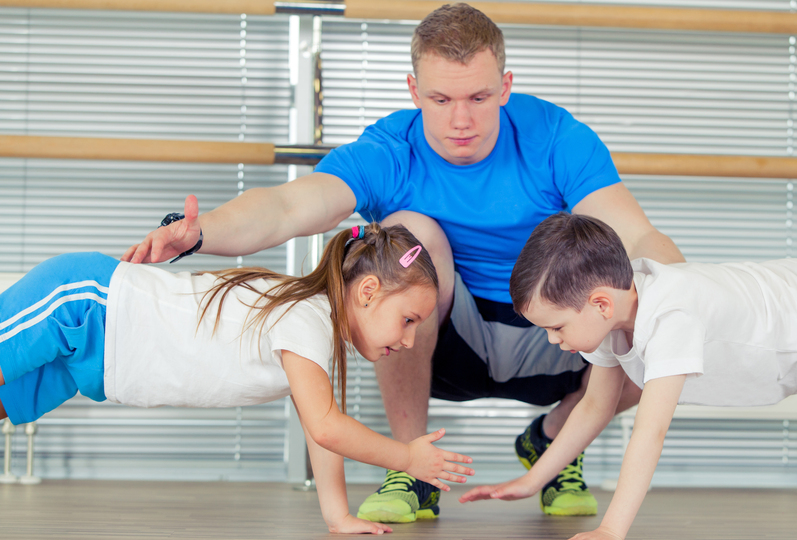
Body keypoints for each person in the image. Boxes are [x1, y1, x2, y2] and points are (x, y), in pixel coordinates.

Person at [121, 3, 684, 522]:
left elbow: (633, 233)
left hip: (552, 333)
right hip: (443, 338)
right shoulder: (390, 149)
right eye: (441, 100)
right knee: (410, 236)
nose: (460, 119)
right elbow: (290, 204)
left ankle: (554, 439)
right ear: (414, 90)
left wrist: (692, 298)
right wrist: (201, 232)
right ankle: (412, 472)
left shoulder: (557, 137)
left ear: (506, 87)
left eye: (479, 98)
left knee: (652, 305)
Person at [460, 212, 797, 540]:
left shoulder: (671, 316)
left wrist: (612, 530)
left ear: (599, 303)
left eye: (556, 327)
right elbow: (594, 406)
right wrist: (533, 480)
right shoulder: (614, 314)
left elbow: (650, 432)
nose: (553, 340)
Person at [0, 217, 475, 535]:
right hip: (87, 305)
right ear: (368, 291)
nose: (410, 341)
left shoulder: (314, 333)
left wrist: (338, 516)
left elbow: (319, 431)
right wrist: (406, 457)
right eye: (409, 319)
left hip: (94, 358)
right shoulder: (305, 316)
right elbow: (328, 426)